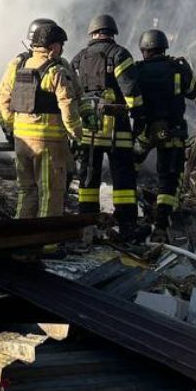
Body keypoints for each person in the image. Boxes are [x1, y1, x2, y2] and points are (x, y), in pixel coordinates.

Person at [0, 19, 83, 218]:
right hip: (49, 144)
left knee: (27, 192)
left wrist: (12, 128)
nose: (62, 49)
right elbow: (68, 104)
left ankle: (22, 234)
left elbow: (1, 99)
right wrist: (77, 134)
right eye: (61, 45)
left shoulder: (20, 65)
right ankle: (46, 236)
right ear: (53, 47)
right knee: (51, 194)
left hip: (22, 142)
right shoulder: (57, 70)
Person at [71, 14, 145, 237]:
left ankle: (88, 224)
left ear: (93, 33)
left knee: (88, 177)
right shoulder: (120, 54)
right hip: (116, 131)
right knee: (123, 178)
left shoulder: (78, 58)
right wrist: (139, 118)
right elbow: (130, 91)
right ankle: (127, 226)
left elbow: (71, 94)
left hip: (89, 130)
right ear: (112, 33)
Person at [132, 29, 196, 241]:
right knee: (169, 179)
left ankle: (129, 214)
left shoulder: (137, 70)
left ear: (144, 50)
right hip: (172, 132)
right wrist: (186, 67)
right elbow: (194, 91)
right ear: (164, 48)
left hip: (145, 132)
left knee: (129, 167)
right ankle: (161, 226)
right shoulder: (176, 68)